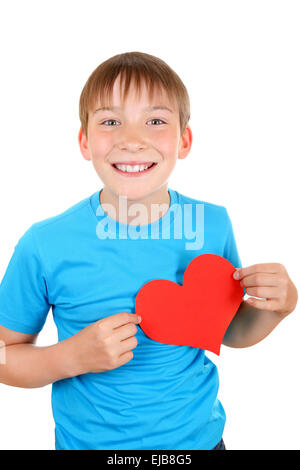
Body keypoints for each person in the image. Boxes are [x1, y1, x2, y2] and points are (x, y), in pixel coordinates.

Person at [0, 51, 297, 451]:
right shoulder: (45, 244)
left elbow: (225, 330)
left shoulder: (212, 225)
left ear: (184, 140)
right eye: (110, 122)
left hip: (200, 444)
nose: (132, 140)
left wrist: (275, 309)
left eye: (155, 121)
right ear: (85, 141)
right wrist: (72, 357)